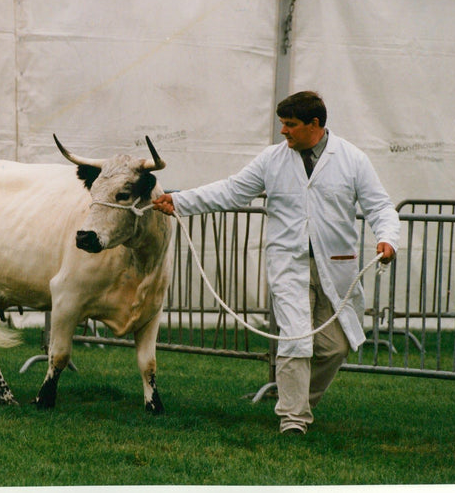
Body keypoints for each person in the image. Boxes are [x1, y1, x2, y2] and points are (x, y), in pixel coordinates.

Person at [153, 91, 399, 435]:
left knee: (335, 346)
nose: (283, 131)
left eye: (290, 125)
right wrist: (179, 202)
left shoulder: (352, 159)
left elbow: (380, 206)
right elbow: (231, 191)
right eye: (282, 124)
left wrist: (388, 237)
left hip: (337, 267)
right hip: (289, 266)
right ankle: (293, 419)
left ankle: (298, 401)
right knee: (296, 340)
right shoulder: (272, 159)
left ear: (314, 125)